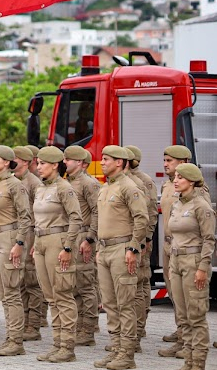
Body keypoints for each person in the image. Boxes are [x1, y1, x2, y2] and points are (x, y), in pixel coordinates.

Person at [94, 145, 151, 370]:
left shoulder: (130, 187)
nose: (103, 162)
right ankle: (116, 349)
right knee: (109, 303)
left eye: (106, 159)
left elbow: (142, 219)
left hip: (122, 249)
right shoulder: (106, 187)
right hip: (106, 250)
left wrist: (133, 248)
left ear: (119, 162)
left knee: (125, 303)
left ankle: (127, 355)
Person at [32, 146, 83, 363]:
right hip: (42, 242)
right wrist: (36, 243)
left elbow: (76, 219)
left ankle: (67, 347)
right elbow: (38, 220)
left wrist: (68, 247)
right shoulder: (40, 189)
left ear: (55, 165)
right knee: (51, 297)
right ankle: (57, 343)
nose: (39, 167)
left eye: (43, 163)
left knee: (62, 294)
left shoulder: (64, 188)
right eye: (39, 163)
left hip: (58, 242)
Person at [0, 146, 31, 356]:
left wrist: (19, 243)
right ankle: (9, 337)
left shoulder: (15, 185)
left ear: (6, 162)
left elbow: (25, 217)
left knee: (11, 291)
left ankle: (16, 342)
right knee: (1, 290)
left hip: (9, 237)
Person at [159, 144, 206, 358]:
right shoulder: (167, 187)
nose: (165, 164)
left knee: (191, 300)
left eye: (170, 161)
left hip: (189, 249)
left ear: (183, 163)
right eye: (165, 160)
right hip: (170, 246)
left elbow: (204, 227)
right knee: (175, 295)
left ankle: (190, 345)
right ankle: (182, 336)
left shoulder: (198, 192)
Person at [166, 162, 214, 370]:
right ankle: (188, 361)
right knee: (183, 315)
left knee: (196, 315)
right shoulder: (178, 204)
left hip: (194, 263)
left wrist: (203, 268)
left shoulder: (201, 205)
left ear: (192, 181)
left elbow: (210, 239)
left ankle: (199, 364)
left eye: (180, 178)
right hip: (176, 261)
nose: (175, 181)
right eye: (175, 177)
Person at [63, 145, 101, 347]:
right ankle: (78, 327)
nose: (64, 162)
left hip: (83, 236)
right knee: (74, 284)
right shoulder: (67, 182)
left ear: (79, 162)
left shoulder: (89, 183)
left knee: (86, 285)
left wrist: (90, 238)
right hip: (71, 235)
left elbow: (97, 211)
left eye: (68, 159)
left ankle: (88, 330)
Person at [122, 145, 158, 341]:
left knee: (140, 282)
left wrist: (145, 240)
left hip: (140, 240)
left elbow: (149, 214)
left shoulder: (142, 182)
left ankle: (139, 326)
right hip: (133, 240)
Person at [12, 146, 45, 342]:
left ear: (25, 161)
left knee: (32, 281)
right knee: (21, 280)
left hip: (31, 232)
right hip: (19, 233)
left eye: (16, 158)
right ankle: (24, 321)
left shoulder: (34, 183)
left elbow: (39, 212)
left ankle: (34, 324)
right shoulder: (15, 181)